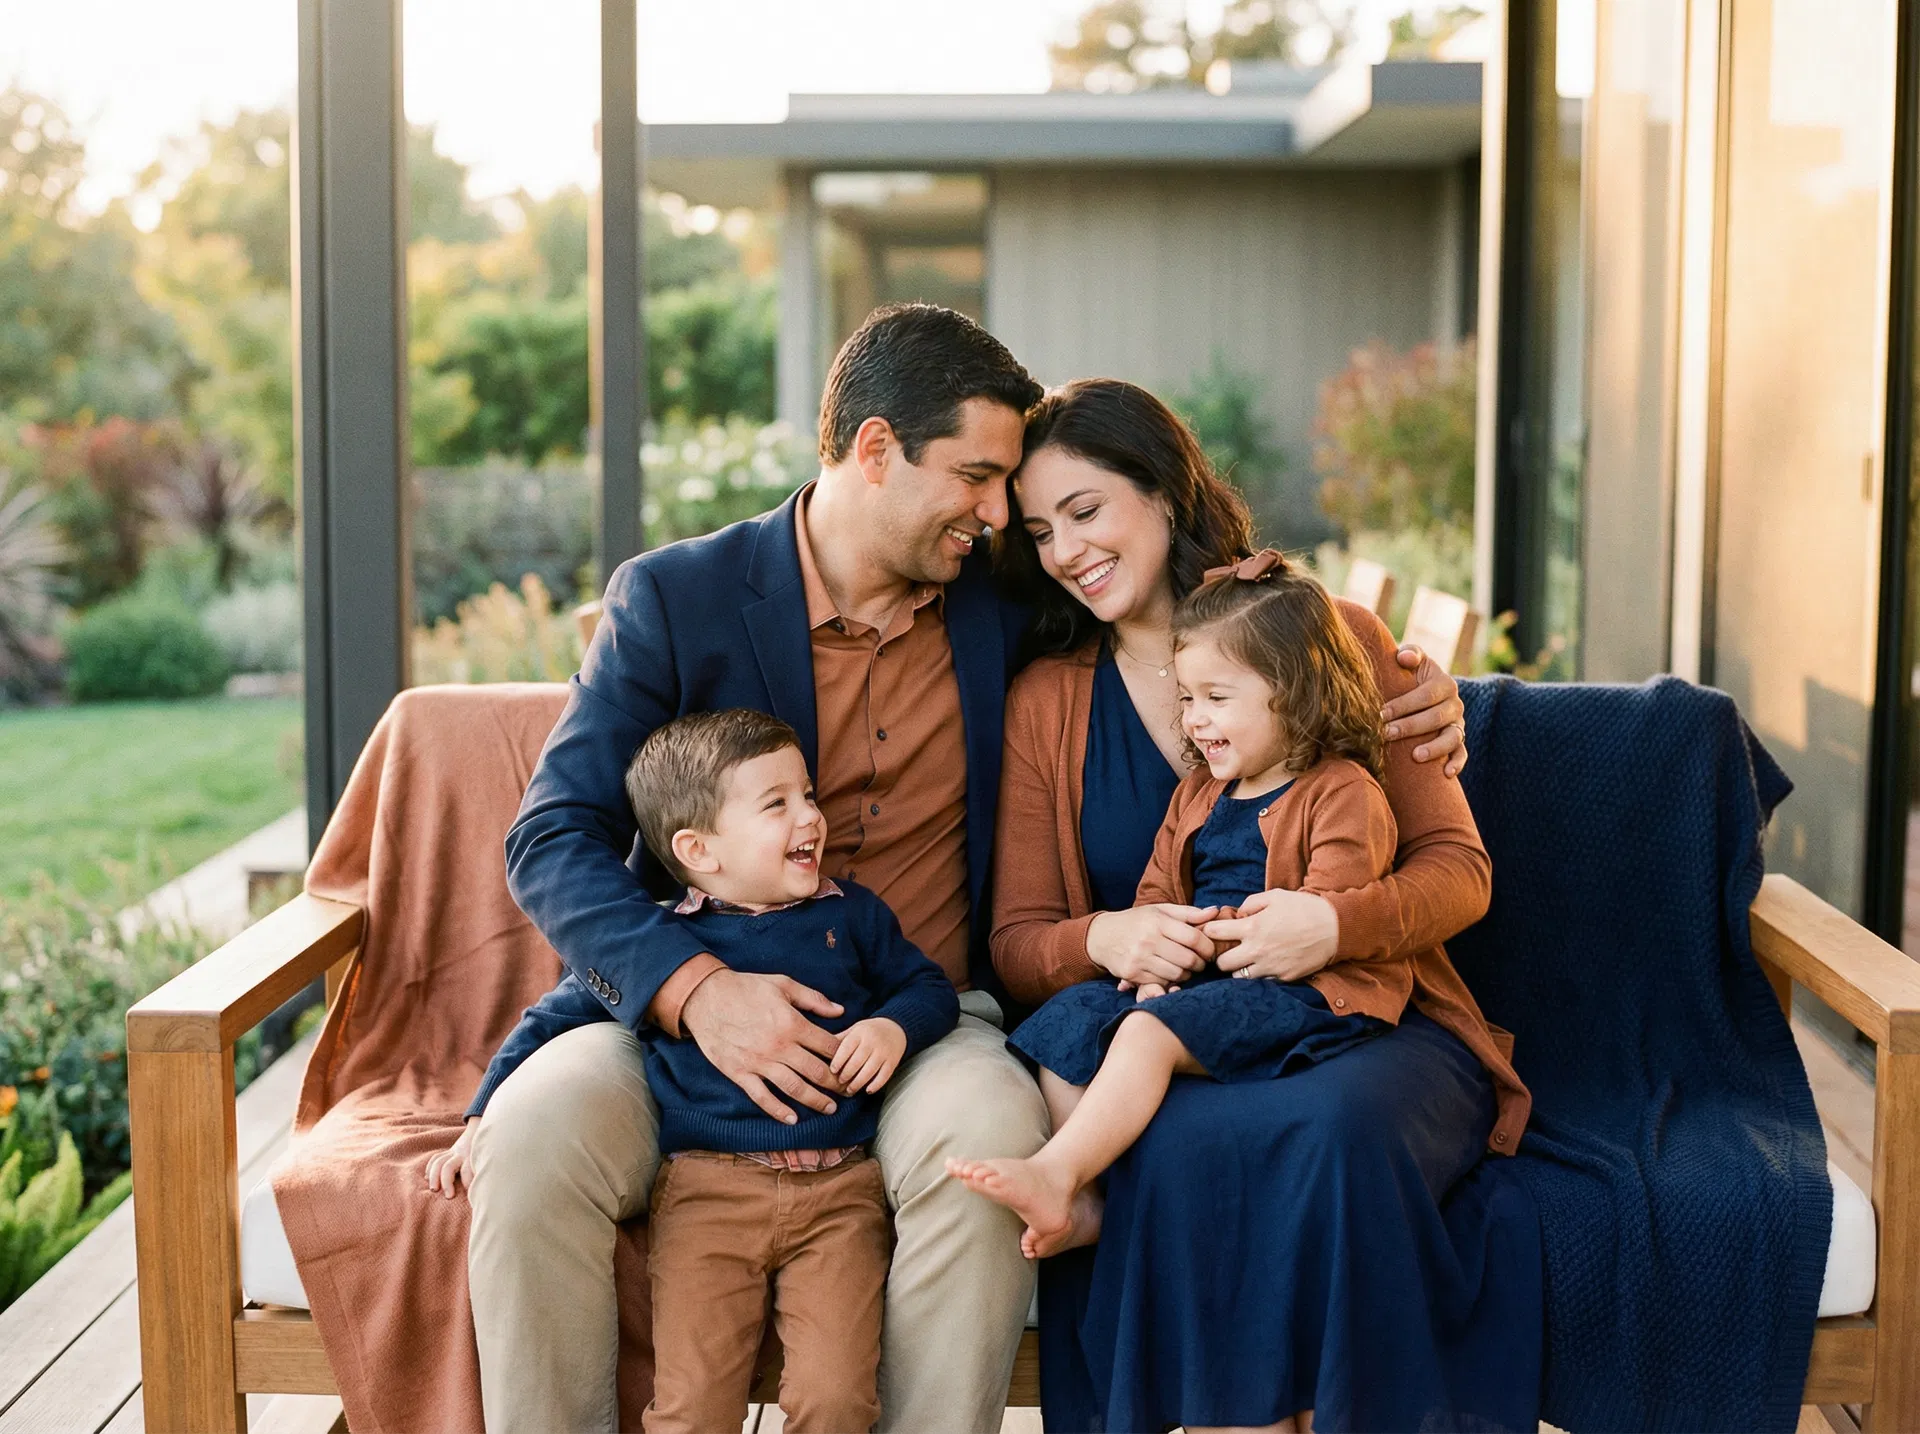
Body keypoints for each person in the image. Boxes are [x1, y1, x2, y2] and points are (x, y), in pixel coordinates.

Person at [468, 305, 1471, 1434]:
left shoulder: (1005, 593)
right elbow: (551, 837)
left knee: (992, 1147)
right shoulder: (676, 599)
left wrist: (1429, 692)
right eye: (980, 480)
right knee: (534, 1139)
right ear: (877, 450)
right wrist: (699, 993)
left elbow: (1211, 614)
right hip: (684, 1018)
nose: (1004, 520)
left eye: (1015, 499)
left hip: (933, 1017)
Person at [990, 378, 1536, 1434]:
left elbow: (1459, 870)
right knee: (1167, 1124)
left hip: (1367, 1016)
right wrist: (1109, 936)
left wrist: (1333, 925)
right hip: (1176, 1021)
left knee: (1328, 1130)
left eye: (1086, 510)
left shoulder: (1332, 637)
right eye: (1040, 531)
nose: (1065, 551)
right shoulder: (1047, 698)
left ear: (1165, 490)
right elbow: (1016, 942)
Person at [430, 708, 956, 1434]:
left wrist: (892, 1026)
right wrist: (481, 1117)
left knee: (838, 1400)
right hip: (708, 1197)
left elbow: (928, 989)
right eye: (777, 804)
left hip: (841, 1195)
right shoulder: (670, 940)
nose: (811, 816)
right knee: (694, 1406)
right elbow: (548, 1019)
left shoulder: (853, 917)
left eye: (807, 794)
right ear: (698, 850)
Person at [953, 555, 1470, 1263]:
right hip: (1210, 978)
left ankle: (1056, 1172)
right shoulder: (1200, 792)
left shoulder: (1342, 791)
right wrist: (1151, 956)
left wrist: (1206, 948)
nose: (1194, 720)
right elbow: (1159, 889)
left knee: (1145, 1036)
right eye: (1187, 698)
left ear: (1291, 696)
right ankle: (1090, 1199)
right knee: (1067, 1023)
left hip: (1306, 990)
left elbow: (1321, 914)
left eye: (1216, 699)